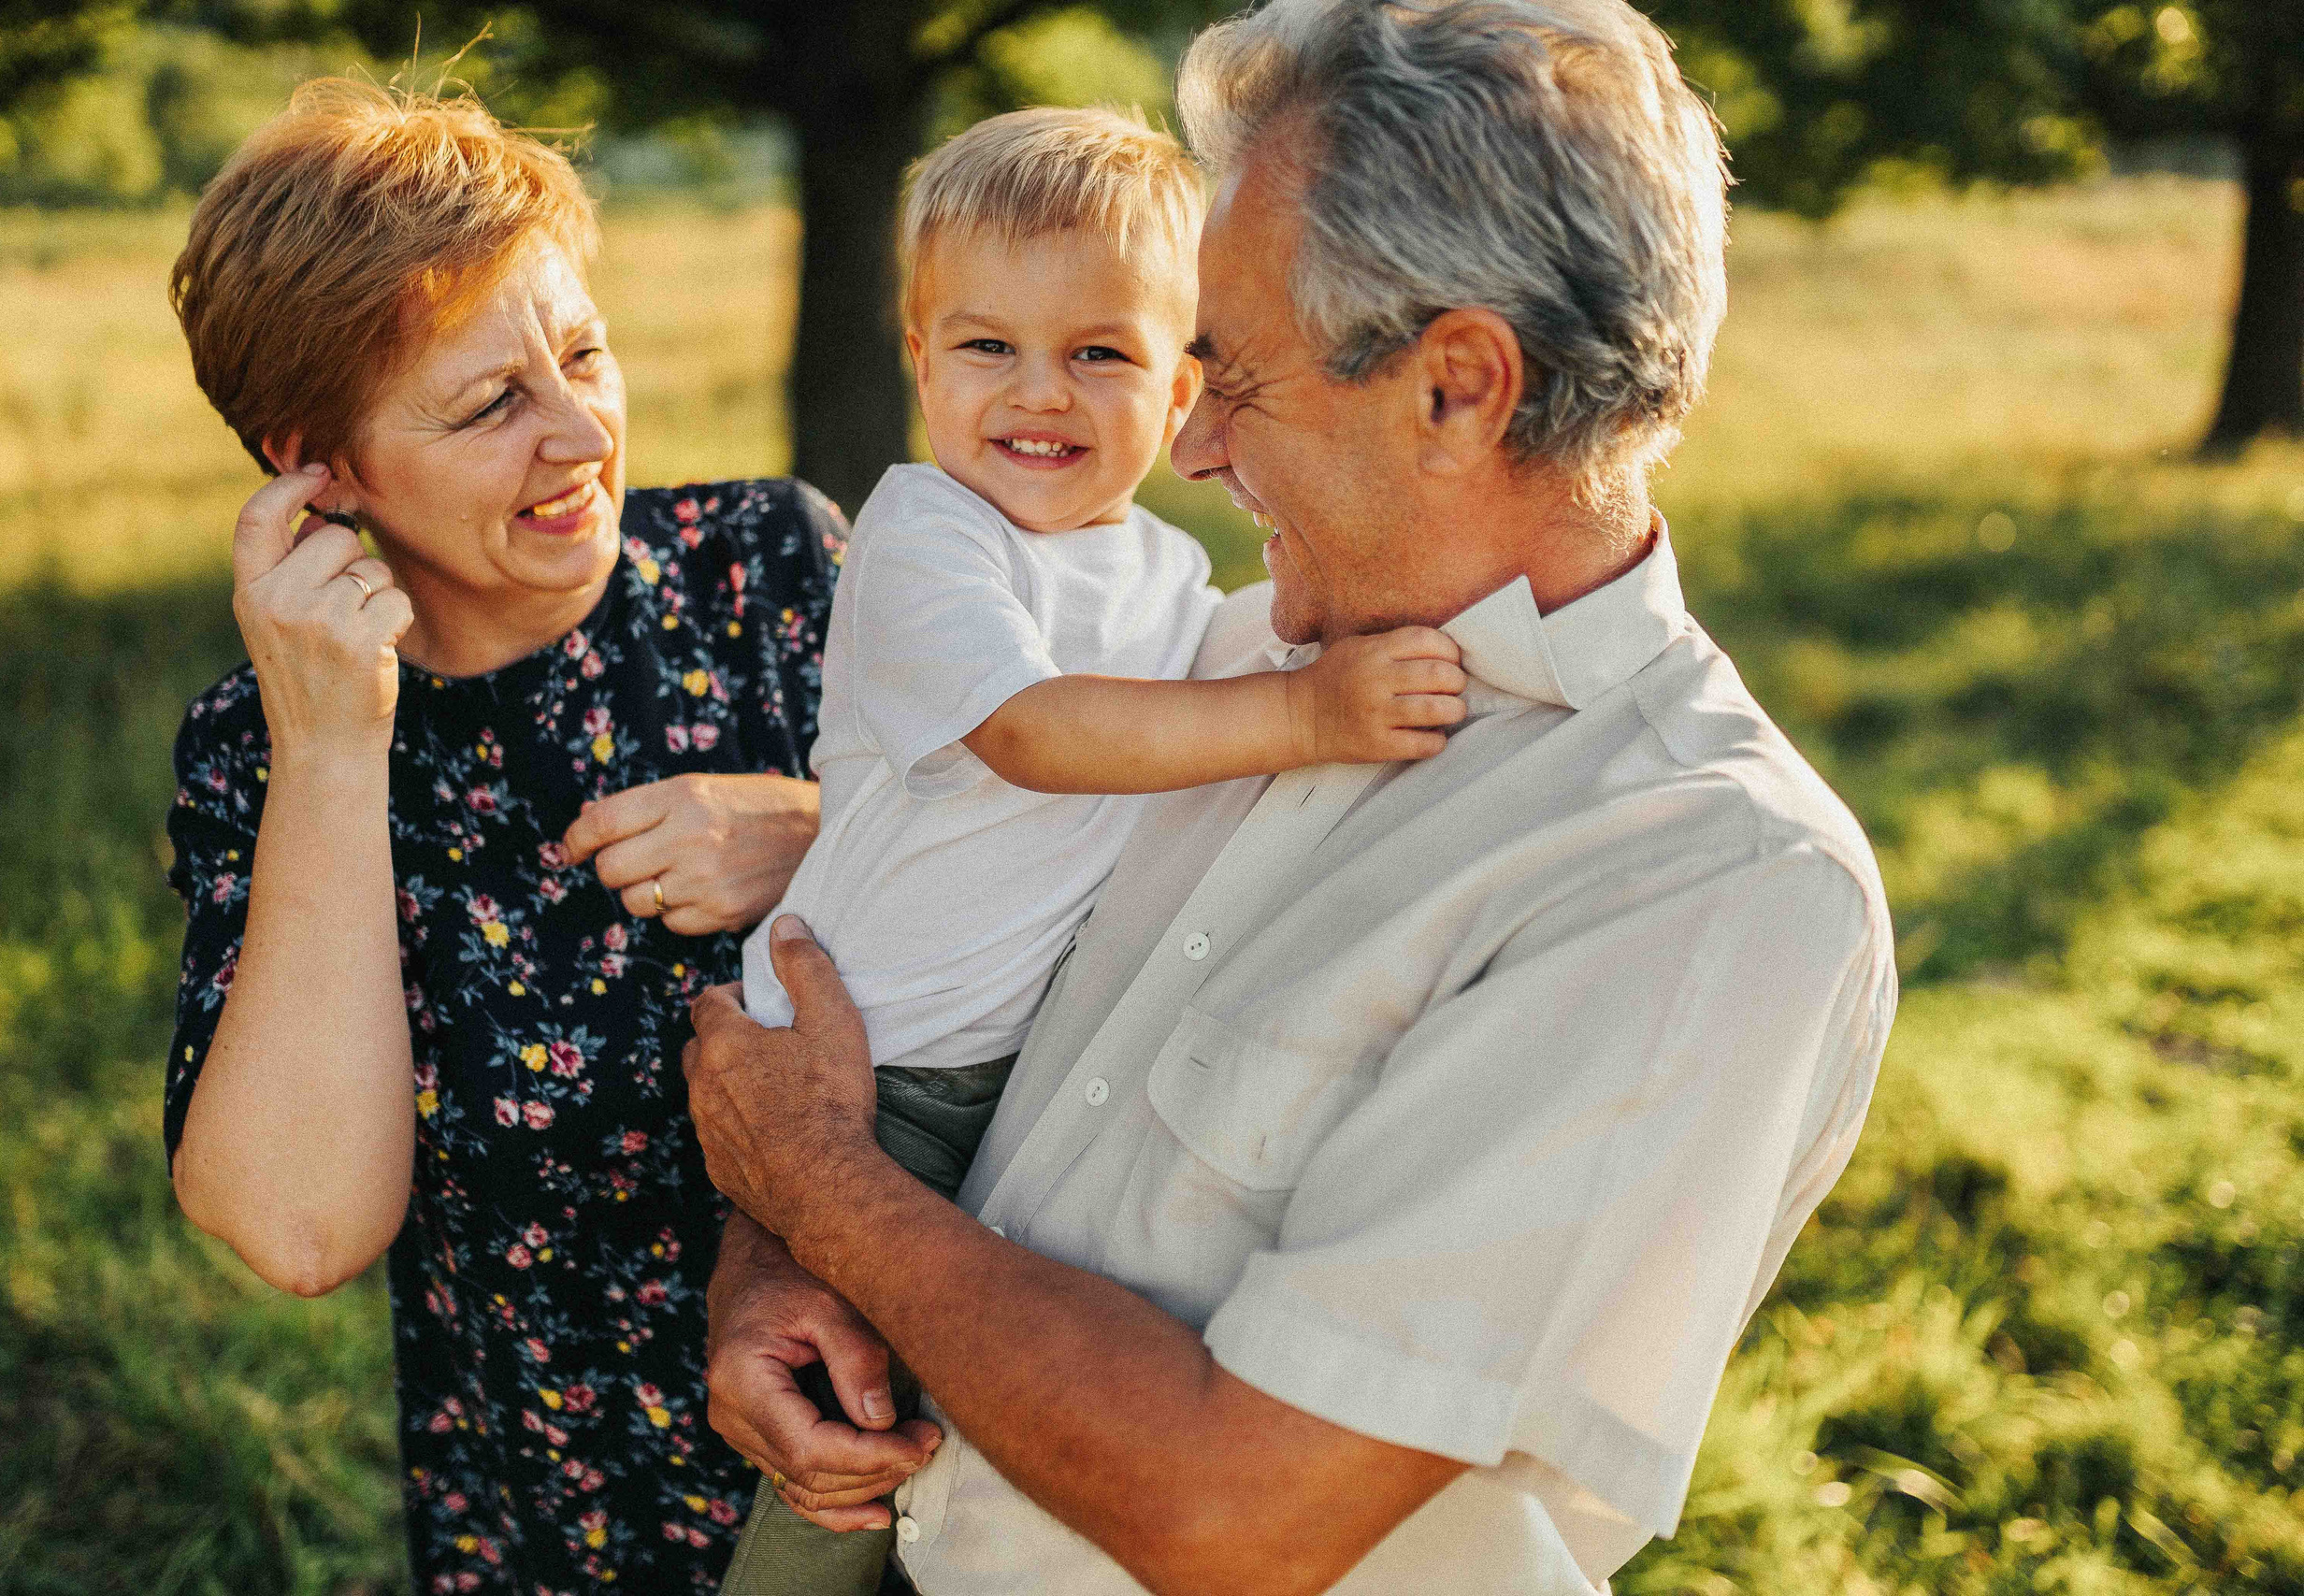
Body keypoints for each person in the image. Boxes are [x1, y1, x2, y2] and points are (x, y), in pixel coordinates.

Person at [684, 2, 1898, 1592]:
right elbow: (922, 971)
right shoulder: (1223, 663)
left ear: (1456, 389)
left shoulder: (1702, 883)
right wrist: (772, 1259)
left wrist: (817, 1194)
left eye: (1232, 373)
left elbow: (1238, 1514)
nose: (1187, 447)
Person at [722, 106, 1464, 1596]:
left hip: (1031, 1064)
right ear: (921, 364)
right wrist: (1310, 712)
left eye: (1102, 353)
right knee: (844, 1424)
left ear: (1186, 387)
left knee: (993, 1411)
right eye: (986, 347)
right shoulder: (933, 537)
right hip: (880, 1065)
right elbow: (1039, 734)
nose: (1038, 394)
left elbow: (1182, 725)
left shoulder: (1162, 569)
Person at [160, 81, 844, 1591]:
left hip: (917, 1465)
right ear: (317, 467)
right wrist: (336, 749)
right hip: (571, 1523)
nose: (582, 431)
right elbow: (296, 1228)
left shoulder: (773, 566)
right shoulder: (255, 749)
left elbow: (1075, 886)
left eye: (584, 353)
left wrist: (823, 835)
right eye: (489, 404)